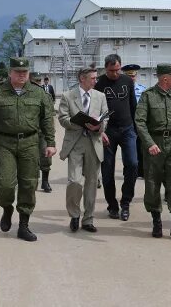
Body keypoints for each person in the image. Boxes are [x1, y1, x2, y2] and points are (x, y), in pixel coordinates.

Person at [0, 57, 56, 242]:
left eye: (25, 72)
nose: (22, 75)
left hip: (30, 143)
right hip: (4, 144)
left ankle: (23, 225)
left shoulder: (38, 93)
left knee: (29, 184)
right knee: (5, 184)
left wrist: (51, 142)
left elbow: (47, 120)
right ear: (9, 73)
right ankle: (7, 208)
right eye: (18, 72)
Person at [135, 63, 171, 240]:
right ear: (165, 78)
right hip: (154, 146)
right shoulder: (148, 96)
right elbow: (140, 122)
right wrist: (149, 143)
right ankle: (157, 222)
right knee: (152, 185)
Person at [58, 65, 108, 233]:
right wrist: (78, 122)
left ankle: (88, 219)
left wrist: (99, 126)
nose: (96, 81)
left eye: (96, 78)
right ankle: (74, 215)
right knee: (74, 181)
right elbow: (62, 117)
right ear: (82, 79)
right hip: (75, 143)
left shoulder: (100, 96)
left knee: (92, 183)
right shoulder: (68, 96)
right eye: (93, 78)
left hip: (94, 143)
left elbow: (106, 117)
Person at [95, 54, 138, 221]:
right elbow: (95, 110)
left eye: (117, 69)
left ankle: (126, 202)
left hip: (127, 130)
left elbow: (133, 105)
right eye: (111, 70)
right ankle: (112, 205)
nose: (115, 73)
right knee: (107, 171)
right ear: (105, 68)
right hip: (108, 131)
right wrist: (100, 131)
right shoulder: (99, 84)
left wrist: (136, 129)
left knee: (133, 164)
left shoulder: (127, 81)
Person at [122, 63, 147, 179]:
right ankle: (128, 170)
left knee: (141, 146)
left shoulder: (143, 90)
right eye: (128, 76)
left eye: (133, 76)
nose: (131, 78)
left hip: (140, 121)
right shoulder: (121, 90)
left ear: (136, 76)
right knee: (127, 147)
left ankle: (141, 171)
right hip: (127, 122)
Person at [31, 74, 54, 193]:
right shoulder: (25, 96)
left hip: (43, 132)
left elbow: (50, 116)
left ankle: (45, 181)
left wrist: (51, 136)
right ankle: (32, 181)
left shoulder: (47, 96)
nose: (38, 84)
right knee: (30, 159)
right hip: (29, 133)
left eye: (38, 82)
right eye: (35, 82)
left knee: (46, 157)